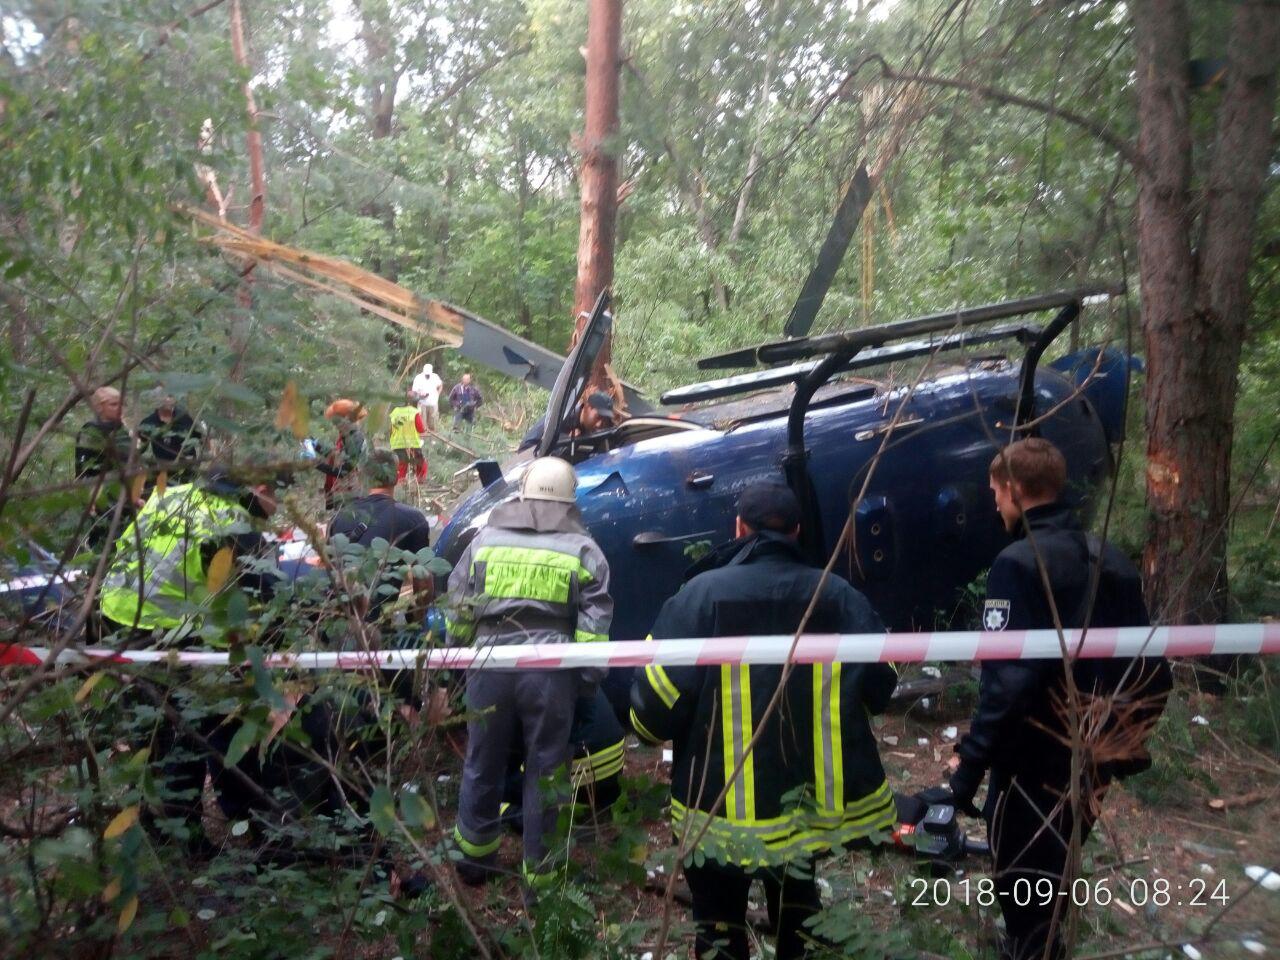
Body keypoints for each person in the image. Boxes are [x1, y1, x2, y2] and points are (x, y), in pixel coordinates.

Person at [629, 482, 897, 960]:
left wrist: (646, 725)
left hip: (715, 812)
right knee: (801, 921)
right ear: (796, 532)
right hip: (806, 810)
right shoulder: (835, 594)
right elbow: (883, 684)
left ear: (738, 529)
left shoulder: (699, 597)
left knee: (716, 929)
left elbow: (652, 707)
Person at [935, 438, 1171, 960]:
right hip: (1090, 755)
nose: (995, 503)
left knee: (1020, 873)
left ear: (1016, 491)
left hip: (1031, 758)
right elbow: (1153, 670)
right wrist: (1117, 741)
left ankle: (1033, 949)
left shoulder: (1017, 564)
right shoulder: (1110, 557)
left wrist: (967, 772)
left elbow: (1009, 681)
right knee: (1057, 862)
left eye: (997, 492)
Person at [98, 462, 289, 849]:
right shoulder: (230, 517)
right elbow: (265, 593)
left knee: (153, 728)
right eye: (276, 501)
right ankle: (210, 830)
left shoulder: (175, 493)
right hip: (166, 628)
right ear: (261, 488)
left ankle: (158, 820)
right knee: (215, 726)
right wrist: (280, 655)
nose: (276, 511)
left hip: (118, 617)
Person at [446, 457, 612, 892]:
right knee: (546, 768)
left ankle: (474, 858)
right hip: (551, 670)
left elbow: (459, 606)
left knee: (482, 758)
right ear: (569, 502)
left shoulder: (483, 541)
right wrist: (587, 683)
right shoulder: (584, 551)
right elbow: (594, 627)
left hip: (488, 665)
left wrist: (459, 661)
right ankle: (541, 875)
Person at [328, 449, 433, 629]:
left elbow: (329, 571)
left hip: (336, 624)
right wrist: (416, 620)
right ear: (397, 475)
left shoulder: (339, 518)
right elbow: (423, 580)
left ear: (364, 478)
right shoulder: (413, 520)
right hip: (376, 627)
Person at [74, 385, 137, 547]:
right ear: (100, 407)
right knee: (105, 541)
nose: (119, 408)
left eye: (121, 404)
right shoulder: (91, 431)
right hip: (103, 497)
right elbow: (84, 469)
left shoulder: (123, 431)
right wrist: (90, 497)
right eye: (113, 404)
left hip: (127, 497)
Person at [139, 394, 205, 482]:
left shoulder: (185, 419)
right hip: (160, 475)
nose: (167, 399)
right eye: (163, 395)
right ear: (156, 399)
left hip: (187, 472)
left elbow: (200, 439)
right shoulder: (147, 423)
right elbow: (141, 448)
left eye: (170, 396)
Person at [316, 399, 368, 509]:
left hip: (353, 496)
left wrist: (316, 464)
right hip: (344, 493)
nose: (335, 426)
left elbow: (345, 470)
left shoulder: (355, 439)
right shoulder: (346, 437)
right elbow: (336, 455)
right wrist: (313, 444)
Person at [387, 390, 428, 484]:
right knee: (420, 463)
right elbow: (421, 429)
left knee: (401, 465)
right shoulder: (414, 412)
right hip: (412, 443)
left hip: (397, 443)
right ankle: (419, 481)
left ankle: (401, 484)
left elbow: (391, 429)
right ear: (415, 402)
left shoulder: (395, 411)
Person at [411, 362, 443, 433]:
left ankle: (433, 438)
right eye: (426, 374)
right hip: (422, 403)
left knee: (433, 422)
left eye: (428, 374)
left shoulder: (435, 377)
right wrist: (420, 393)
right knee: (422, 423)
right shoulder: (418, 378)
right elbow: (414, 391)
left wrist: (438, 393)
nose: (427, 376)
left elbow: (440, 385)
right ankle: (423, 437)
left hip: (433, 402)